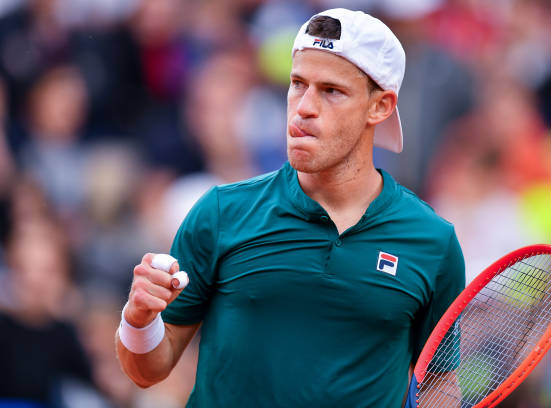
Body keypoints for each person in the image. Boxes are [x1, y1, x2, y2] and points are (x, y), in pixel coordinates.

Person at [115, 8, 465, 407]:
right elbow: (147, 371)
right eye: (298, 84)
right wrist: (138, 320)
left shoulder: (433, 242)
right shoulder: (220, 213)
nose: (304, 107)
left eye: (331, 91)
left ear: (380, 107)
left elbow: (440, 382)